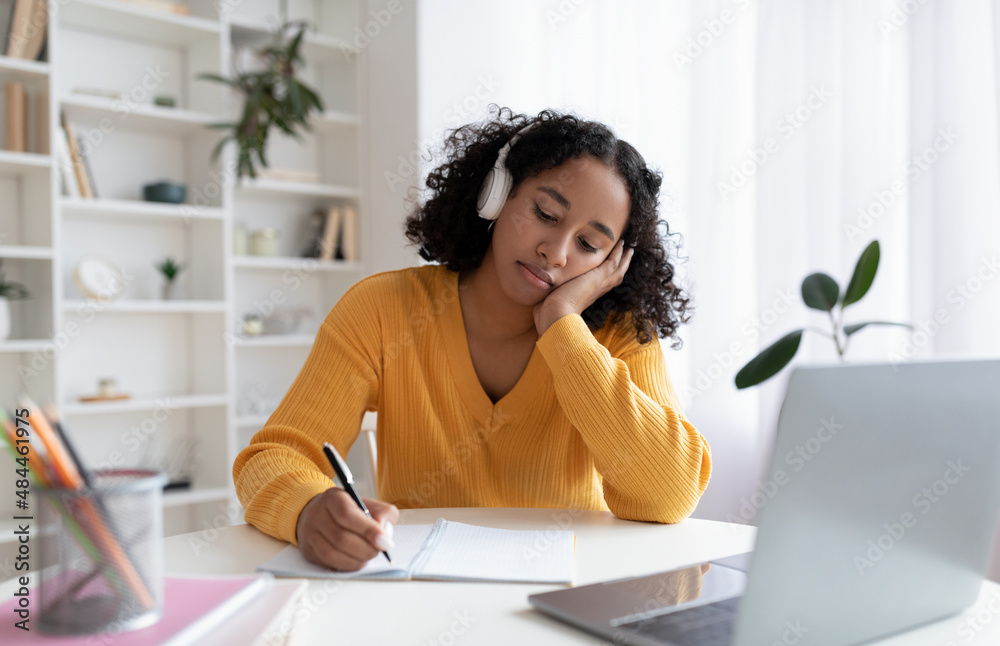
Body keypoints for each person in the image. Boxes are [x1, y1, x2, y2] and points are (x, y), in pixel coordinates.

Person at [233, 107, 712, 572]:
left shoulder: (616, 335)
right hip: (421, 595)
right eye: (546, 213)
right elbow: (274, 458)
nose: (555, 252)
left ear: (612, 264)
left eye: (589, 244)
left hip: (564, 597)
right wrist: (306, 509)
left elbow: (669, 493)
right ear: (495, 195)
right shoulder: (383, 309)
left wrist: (563, 328)